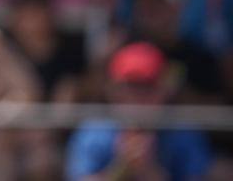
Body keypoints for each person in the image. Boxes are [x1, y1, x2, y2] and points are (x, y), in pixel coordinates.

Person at [66, 42, 213, 181]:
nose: (137, 96)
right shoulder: (93, 132)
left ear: (164, 91)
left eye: (147, 86)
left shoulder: (184, 133)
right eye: (130, 86)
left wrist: (149, 171)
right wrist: (121, 167)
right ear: (112, 90)